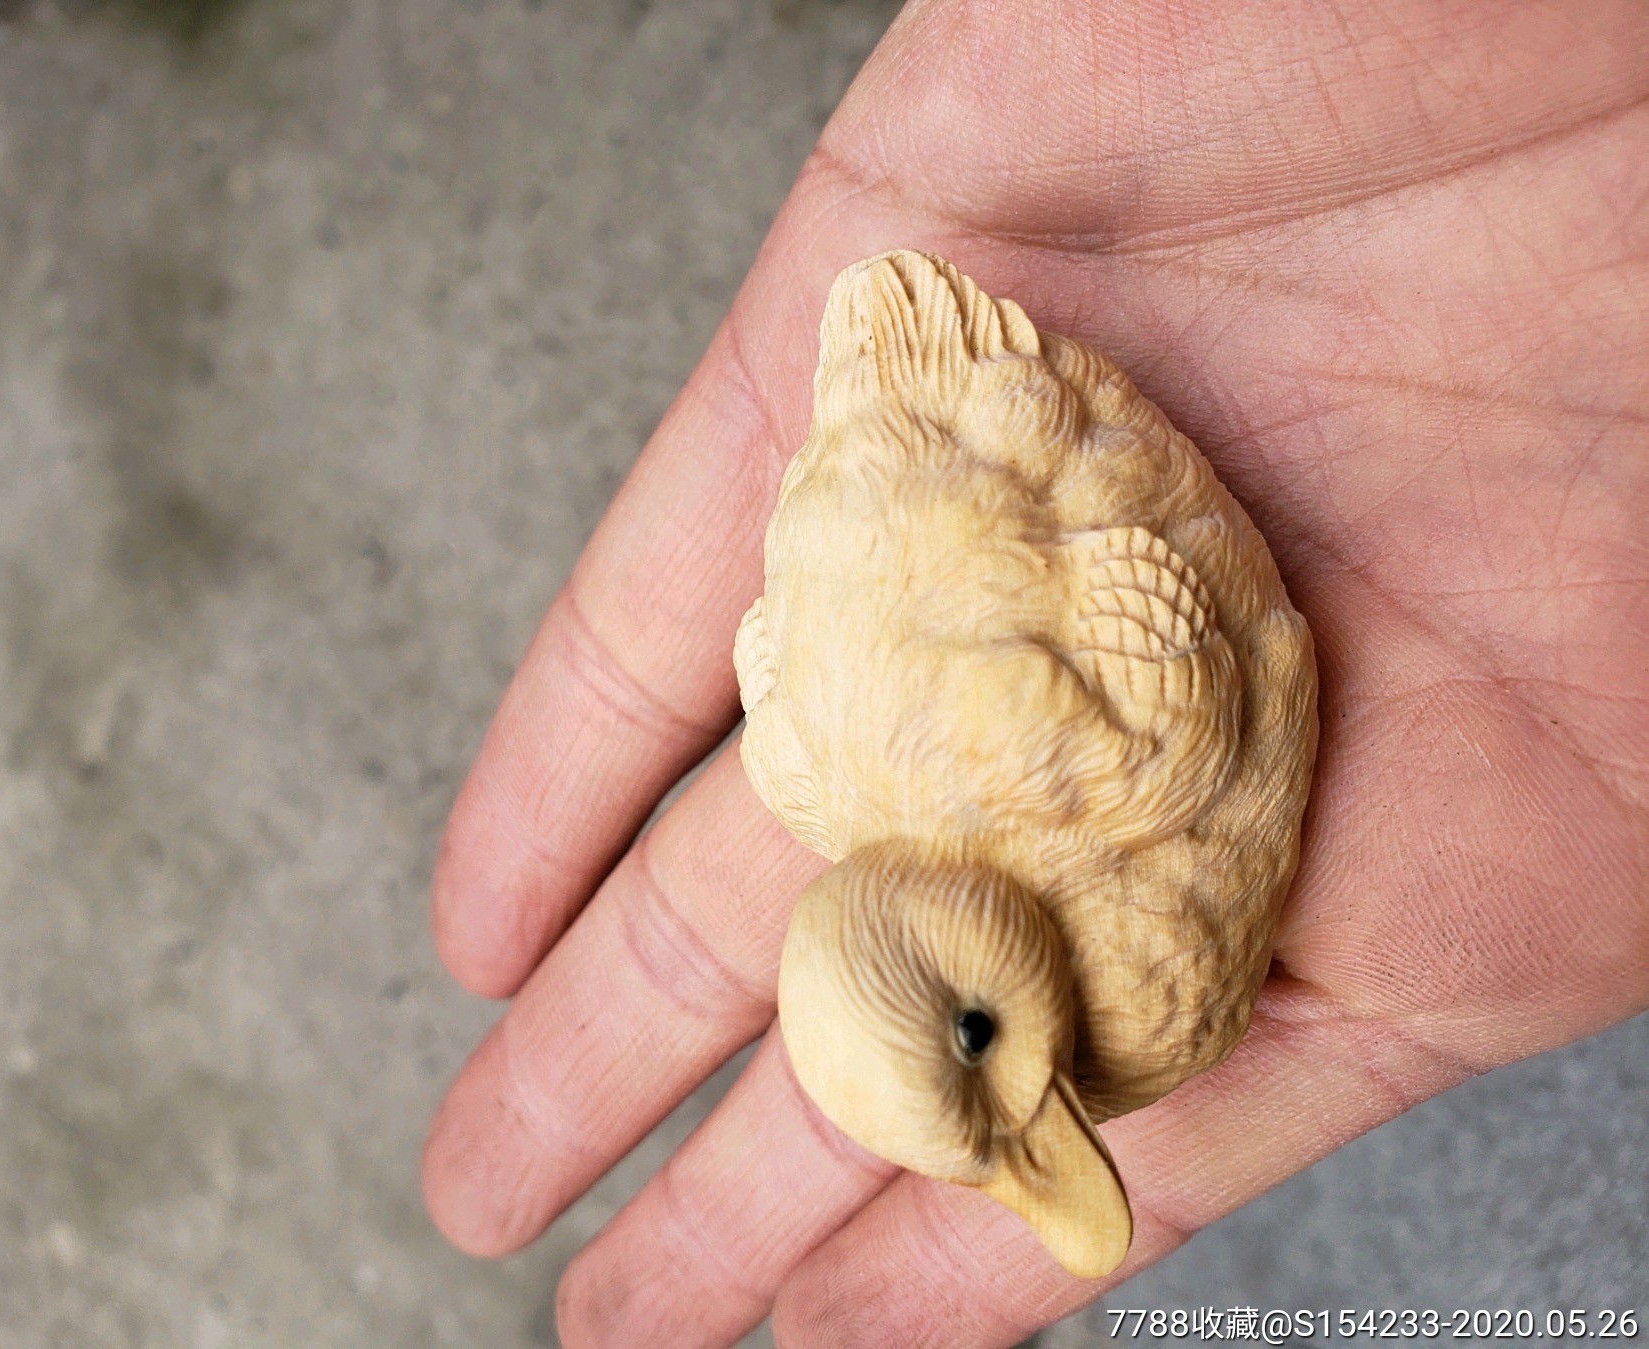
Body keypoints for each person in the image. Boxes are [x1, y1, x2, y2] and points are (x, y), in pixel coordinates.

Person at [419, 2, 1649, 1344]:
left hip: (1010, 462)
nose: (1045, 1112)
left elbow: (1121, 563)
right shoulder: (933, 854)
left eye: (980, 1053)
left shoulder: (1140, 761)